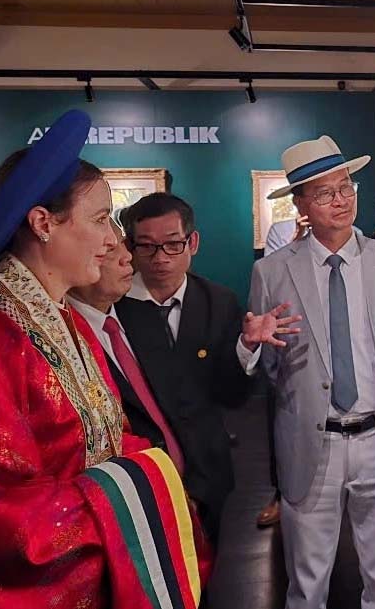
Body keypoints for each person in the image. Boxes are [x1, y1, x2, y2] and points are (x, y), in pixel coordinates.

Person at [0, 111, 211, 609]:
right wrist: (132, 507)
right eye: (100, 219)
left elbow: (108, 439)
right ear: (43, 223)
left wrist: (161, 488)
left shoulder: (67, 323)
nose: (114, 240)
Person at [238, 135, 375, 609]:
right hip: (312, 439)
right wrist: (250, 343)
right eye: (324, 193)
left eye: (346, 187)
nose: (341, 200)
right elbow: (269, 364)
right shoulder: (272, 272)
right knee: (307, 582)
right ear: (300, 204)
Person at [117, 192, 252, 549]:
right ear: (130, 247)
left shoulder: (219, 301)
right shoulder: (114, 308)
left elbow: (232, 395)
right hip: (146, 472)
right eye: (147, 246)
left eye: (172, 244)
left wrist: (247, 348)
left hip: (209, 466)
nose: (160, 258)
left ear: (192, 243)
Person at [67, 224, 187, 472]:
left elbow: (182, 402)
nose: (127, 257)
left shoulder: (145, 314)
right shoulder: (63, 341)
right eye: (110, 249)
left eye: (124, 244)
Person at [256, 212, 309, 528]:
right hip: (289, 334)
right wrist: (296, 241)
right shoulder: (282, 230)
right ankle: (282, 493)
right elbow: (273, 276)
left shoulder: (352, 234)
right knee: (283, 421)